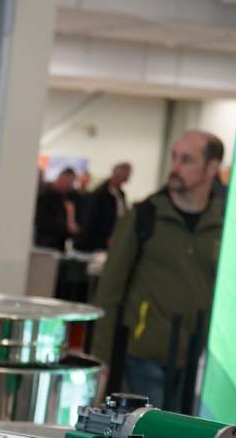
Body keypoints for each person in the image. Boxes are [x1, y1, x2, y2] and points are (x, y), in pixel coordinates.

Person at [92, 130, 225, 410]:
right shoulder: (145, 216)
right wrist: (102, 357)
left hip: (194, 362)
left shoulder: (224, 222)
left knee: (179, 433)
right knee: (149, 432)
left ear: (212, 168)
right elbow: (110, 290)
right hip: (142, 355)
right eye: (174, 157)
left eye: (186, 160)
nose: (175, 167)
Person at [77, 161, 132, 253]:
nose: (127, 178)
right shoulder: (100, 194)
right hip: (99, 241)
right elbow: (93, 219)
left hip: (114, 238)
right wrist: (103, 238)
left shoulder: (120, 194)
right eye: (125, 175)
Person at [33, 167, 78, 251]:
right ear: (62, 180)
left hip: (57, 245)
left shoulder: (65, 198)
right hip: (44, 245)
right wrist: (67, 226)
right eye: (69, 184)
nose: (70, 187)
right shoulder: (44, 196)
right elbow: (44, 222)